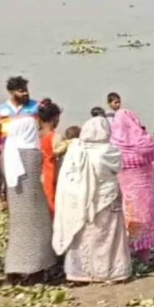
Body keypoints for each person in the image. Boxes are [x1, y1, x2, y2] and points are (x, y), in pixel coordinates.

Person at [0, 76, 56, 283]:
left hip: (13, 159)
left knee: (19, 218)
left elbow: (46, 126)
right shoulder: (1, 110)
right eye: (20, 91)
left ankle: (17, 267)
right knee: (36, 218)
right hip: (11, 157)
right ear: (11, 92)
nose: (25, 93)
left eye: (26, 90)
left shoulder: (36, 107)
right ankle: (35, 266)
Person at [52, 116, 132, 284]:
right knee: (107, 236)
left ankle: (80, 273)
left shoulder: (76, 150)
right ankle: (109, 272)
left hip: (81, 200)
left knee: (83, 235)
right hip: (107, 199)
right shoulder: (110, 151)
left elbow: (68, 176)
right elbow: (117, 168)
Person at [110, 109, 154, 263]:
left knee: (128, 219)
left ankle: (128, 254)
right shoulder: (141, 141)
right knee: (145, 218)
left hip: (124, 188)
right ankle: (144, 257)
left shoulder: (113, 143)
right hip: (143, 188)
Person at [37, 99, 63, 215]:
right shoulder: (56, 137)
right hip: (52, 177)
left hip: (37, 178)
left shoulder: (35, 138)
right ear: (55, 118)